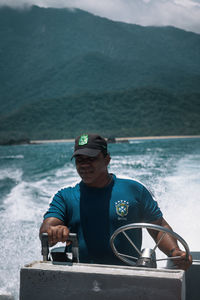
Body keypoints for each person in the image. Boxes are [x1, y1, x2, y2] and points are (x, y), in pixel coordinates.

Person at [40, 133, 192, 270]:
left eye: (91, 159)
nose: (84, 165)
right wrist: (54, 231)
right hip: (80, 276)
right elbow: (46, 229)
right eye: (80, 160)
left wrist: (174, 251)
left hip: (128, 276)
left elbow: (158, 227)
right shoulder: (65, 196)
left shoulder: (134, 189)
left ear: (107, 159)